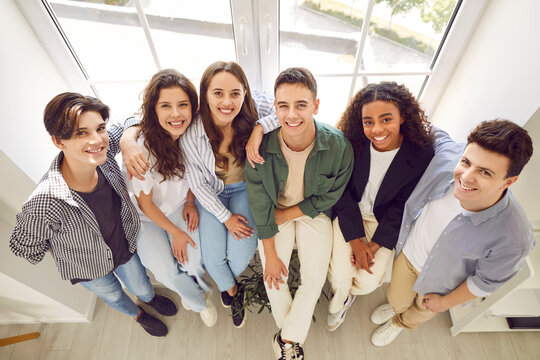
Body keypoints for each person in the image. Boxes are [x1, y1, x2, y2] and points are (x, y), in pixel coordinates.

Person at [123, 61, 278, 328]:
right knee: (189, 264)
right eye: (217, 93)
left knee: (220, 258)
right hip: (175, 206)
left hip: (215, 195)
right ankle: (214, 297)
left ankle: (228, 289)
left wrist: (260, 128)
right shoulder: (185, 134)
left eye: (235, 93)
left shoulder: (249, 111)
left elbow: (287, 109)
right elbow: (192, 182)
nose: (227, 101)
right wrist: (215, 220)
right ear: (205, 95)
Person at [10, 93, 177, 337]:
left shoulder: (104, 155)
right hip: (88, 268)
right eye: (81, 133)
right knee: (113, 295)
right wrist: (69, 247)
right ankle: (137, 315)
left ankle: (149, 298)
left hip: (124, 246)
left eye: (100, 128)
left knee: (140, 282)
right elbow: (24, 247)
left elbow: (135, 117)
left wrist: (128, 142)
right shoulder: (43, 203)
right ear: (59, 141)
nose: (97, 139)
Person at [370, 120, 535, 346]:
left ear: (509, 181)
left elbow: (485, 282)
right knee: (397, 298)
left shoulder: (515, 238)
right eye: (466, 162)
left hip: (442, 286)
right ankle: (397, 309)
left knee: (421, 310)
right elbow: (427, 128)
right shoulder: (448, 153)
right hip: (409, 256)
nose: (466, 177)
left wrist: (445, 302)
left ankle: (401, 323)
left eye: (485, 172)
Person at [245, 67, 354, 359]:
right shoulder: (259, 148)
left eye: (301, 105)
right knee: (274, 277)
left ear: (315, 106)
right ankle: (289, 342)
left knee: (315, 278)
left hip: (313, 213)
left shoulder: (338, 146)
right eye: (283, 106)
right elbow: (258, 202)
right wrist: (269, 254)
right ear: (275, 108)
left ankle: (286, 340)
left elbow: (331, 194)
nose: (292, 114)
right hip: (272, 214)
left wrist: (291, 213)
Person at [326, 82, 435, 331]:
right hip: (350, 213)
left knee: (368, 282)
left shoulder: (421, 154)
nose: (377, 129)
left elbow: (404, 205)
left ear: (403, 116)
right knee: (340, 276)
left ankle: (349, 294)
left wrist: (373, 245)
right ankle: (340, 300)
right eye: (368, 122)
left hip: (383, 221)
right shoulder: (350, 142)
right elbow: (340, 191)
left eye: (386, 119)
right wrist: (355, 240)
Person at [124, 69, 217, 327]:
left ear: (193, 108)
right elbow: (146, 204)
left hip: (179, 206)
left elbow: (193, 176)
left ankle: (197, 289)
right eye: (166, 106)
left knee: (194, 259)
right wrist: (175, 232)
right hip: (147, 217)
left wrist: (189, 202)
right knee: (166, 271)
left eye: (182, 105)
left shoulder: (193, 134)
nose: (176, 114)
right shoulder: (143, 149)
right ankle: (199, 302)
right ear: (154, 110)